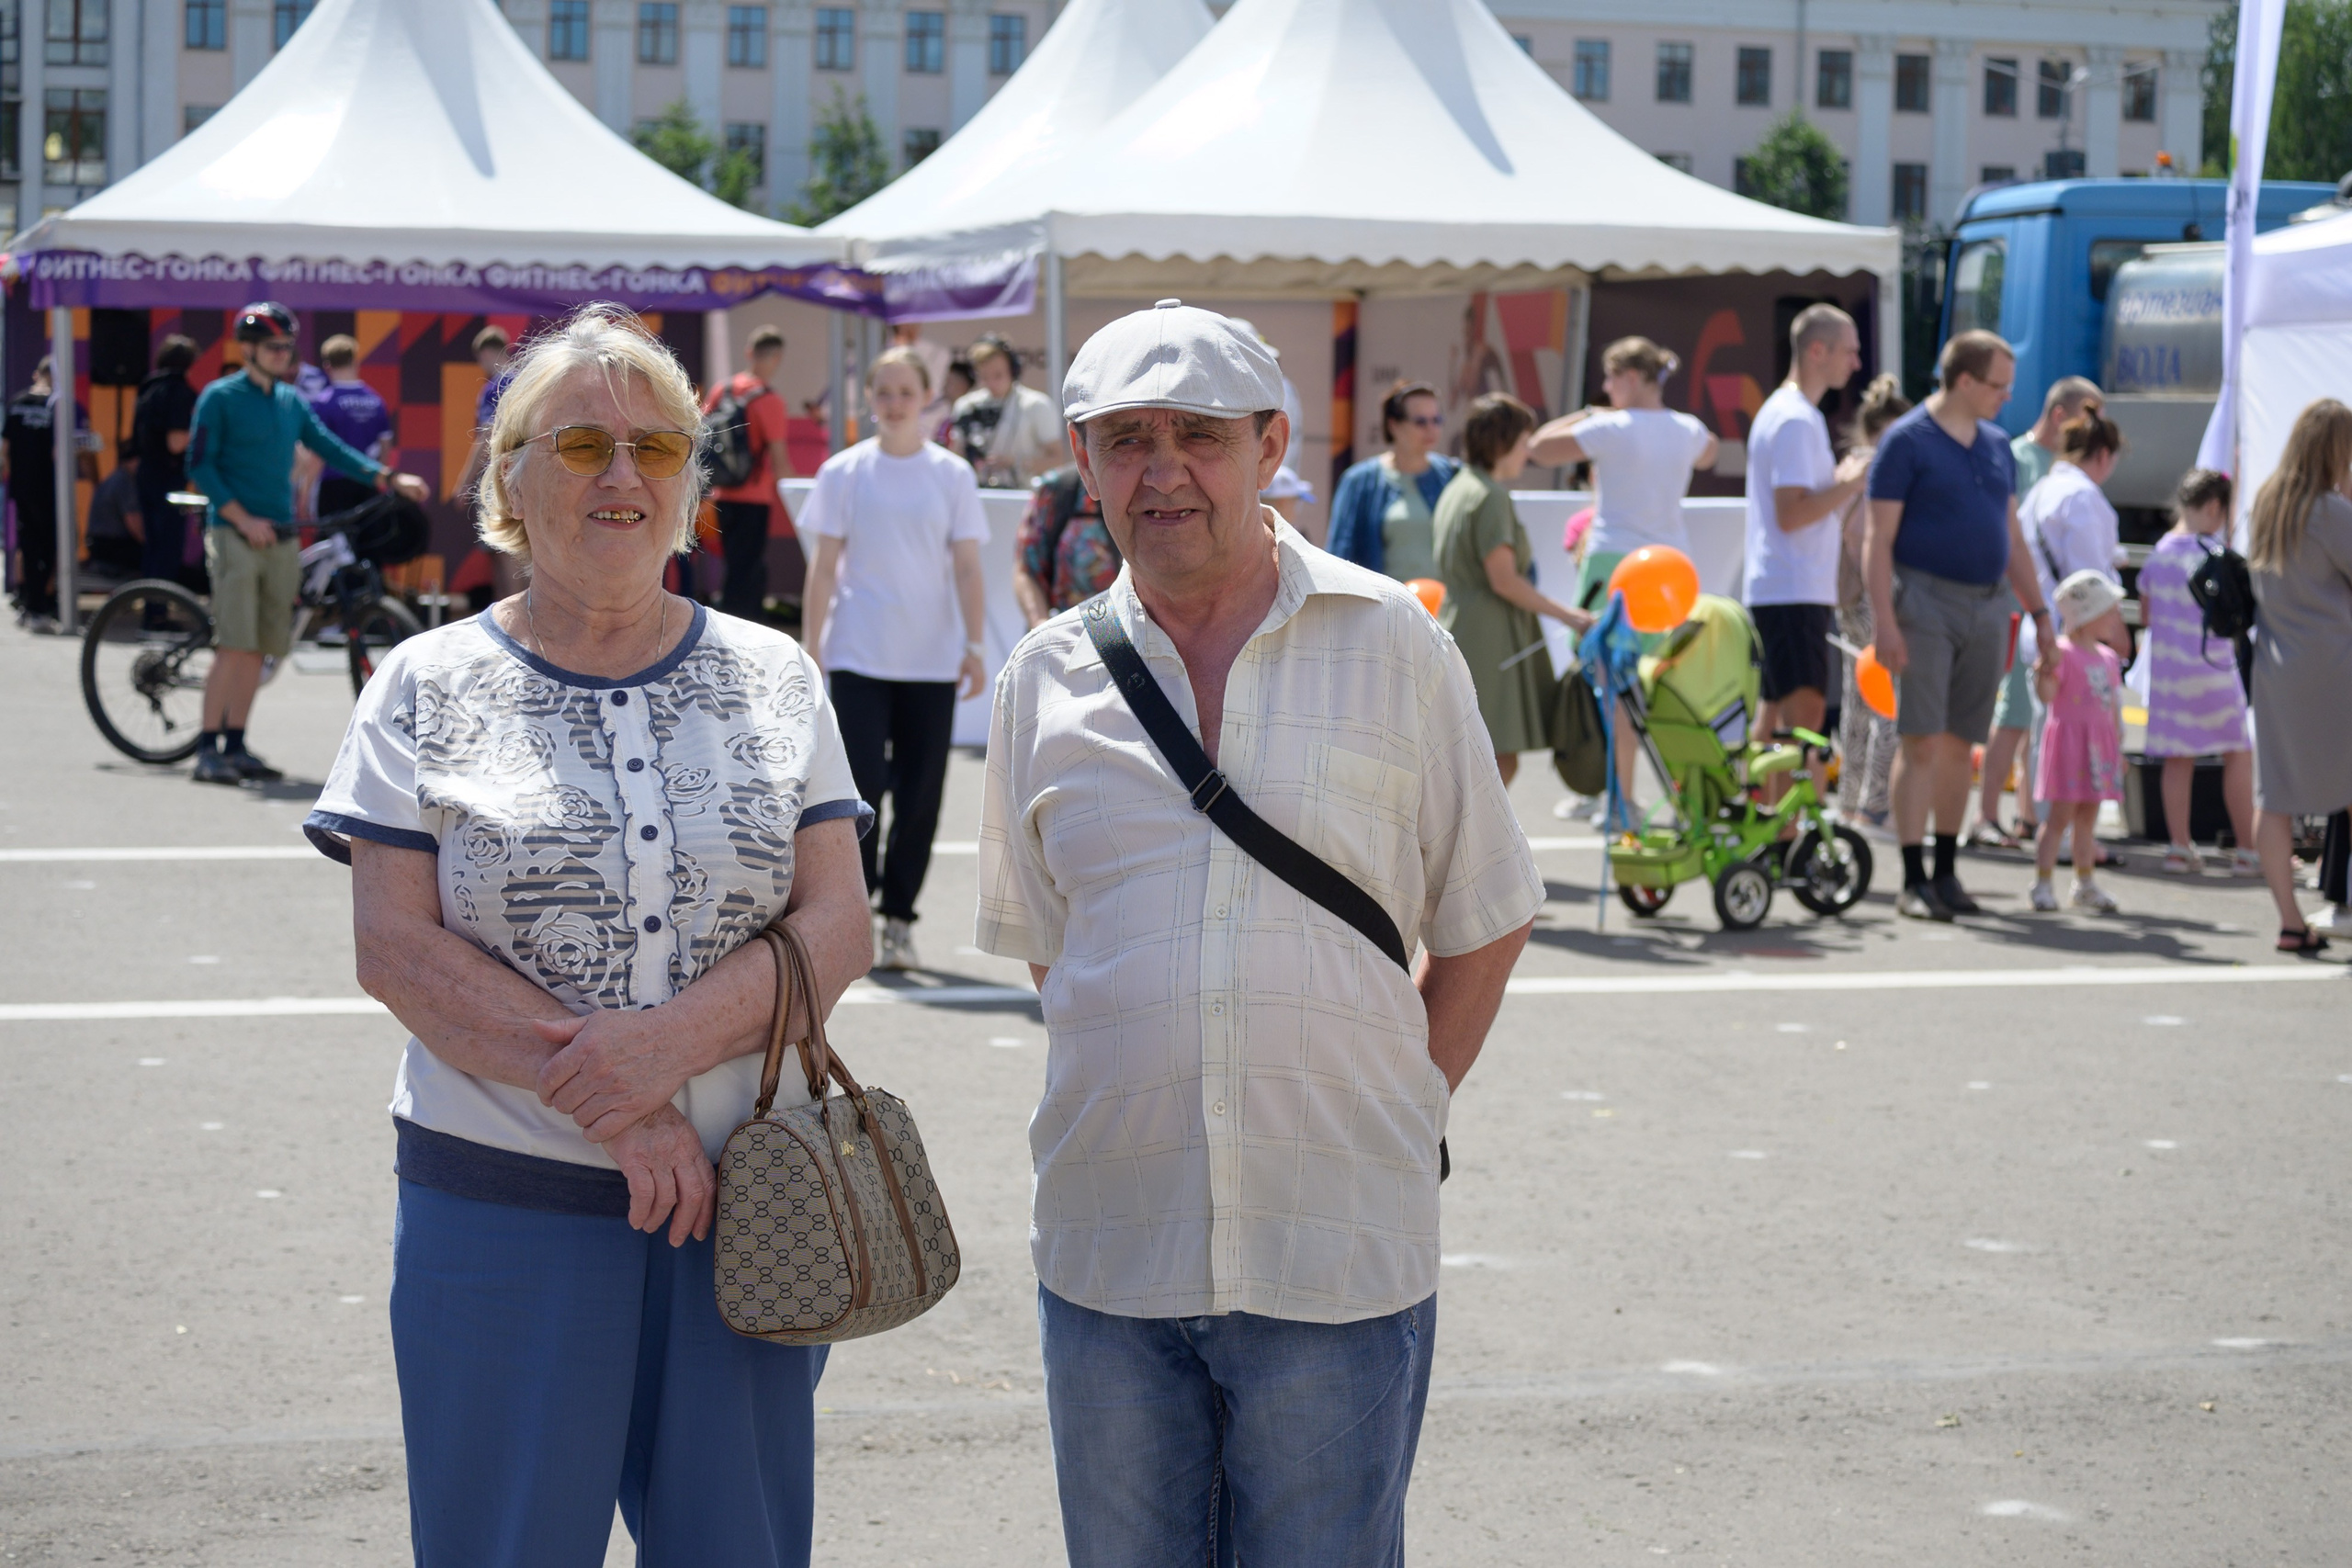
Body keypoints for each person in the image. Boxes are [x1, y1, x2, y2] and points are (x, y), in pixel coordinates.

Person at [303, 303, 875, 1567]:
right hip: (501, 1208)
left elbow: (840, 922)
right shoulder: (425, 681)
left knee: (742, 1548)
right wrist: (622, 1105)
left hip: (746, 1207)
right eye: (578, 446)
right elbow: (394, 948)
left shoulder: (779, 674)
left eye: (658, 447)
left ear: (691, 480)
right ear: (509, 477)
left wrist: (662, 1047)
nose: (623, 475)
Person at [976, 299, 1542, 1566]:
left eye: (1199, 433)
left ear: (1273, 443)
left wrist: (1397, 1097)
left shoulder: (1395, 641)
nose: (1161, 467)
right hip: (1115, 1246)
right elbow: (1053, 950)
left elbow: (1487, 915)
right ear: (1082, 460)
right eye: (1125, 438)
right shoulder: (1044, 679)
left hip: (1336, 1241)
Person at [798, 346, 989, 972]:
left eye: (907, 391)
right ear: (869, 398)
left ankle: (899, 916)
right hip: (859, 652)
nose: (895, 402)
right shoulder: (844, 472)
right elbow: (824, 567)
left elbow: (966, 565)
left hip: (931, 660)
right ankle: (859, 903)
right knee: (861, 791)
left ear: (927, 397)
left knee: (922, 795)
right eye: (884, 391)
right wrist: (812, 649)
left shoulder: (951, 475)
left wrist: (974, 643)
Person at [187, 302, 431, 785]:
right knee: (234, 645)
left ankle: (236, 744)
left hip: (279, 534)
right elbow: (201, 466)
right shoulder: (220, 397)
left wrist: (386, 475)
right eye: (275, 347)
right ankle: (206, 748)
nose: (284, 355)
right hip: (235, 531)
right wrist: (240, 517)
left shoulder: (290, 401)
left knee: (262, 645)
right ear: (250, 349)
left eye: (287, 347)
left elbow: (329, 446)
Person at [1863, 329, 2060, 922]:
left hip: (1988, 604)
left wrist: (2041, 613)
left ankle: (1946, 871)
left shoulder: (1998, 445)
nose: (2006, 397)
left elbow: (2013, 539)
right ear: (1966, 380)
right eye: (1998, 386)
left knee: (1959, 743)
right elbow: (1878, 541)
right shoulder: (1907, 442)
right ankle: (1913, 876)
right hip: (1922, 601)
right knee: (1920, 738)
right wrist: (1884, 624)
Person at [1742, 305, 1871, 805]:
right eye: (1849, 349)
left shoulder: (1789, 412)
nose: (1856, 362)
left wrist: (1839, 487)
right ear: (1817, 351)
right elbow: (1792, 513)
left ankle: (1771, 822)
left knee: (1775, 715)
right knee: (1804, 717)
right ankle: (1792, 827)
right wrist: (1848, 483)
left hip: (1788, 585)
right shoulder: (1796, 418)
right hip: (1793, 587)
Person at [1433, 391, 1593, 785]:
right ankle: (1472, 846)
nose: (1528, 452)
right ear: (1504, 443)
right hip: (1489, 639)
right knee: (1495, 762)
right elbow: (1504, 580)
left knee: (1472, 758)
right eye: (1524, 442)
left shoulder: (1460, 488)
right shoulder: (1489, 496)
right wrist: (1570, 616)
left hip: (1465, 626)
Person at [2245, 398, 2352, 954]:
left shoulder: (2268, 503)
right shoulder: (2331, 511)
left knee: (2277, 796)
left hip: (2277, 667)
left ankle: (2289, 920)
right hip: (2336, 665)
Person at [1979, 376, 2105, 845]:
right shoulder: (2013, 457)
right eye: (2087, 417)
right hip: (2018, 610)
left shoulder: (2060, 467)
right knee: (2012, 714)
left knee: (2040, 716)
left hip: (2048, 614)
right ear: (2059, 416)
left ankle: (2029, 816)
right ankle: (1986, 815)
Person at [2011, 409, 2132, 863]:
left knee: (2048, 737)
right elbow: (2090, 579)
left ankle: (2045, 825)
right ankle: (2067, 837)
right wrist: (2115, 629)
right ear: (2102, 455)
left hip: (2039, 625)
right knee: (2076, 743)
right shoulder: (2082, 497)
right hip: (2075, 637)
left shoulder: (2042, 489)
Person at [1528, 336, 1718, 614]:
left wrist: (1589, 413)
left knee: (1599, 651)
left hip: (1612, 558)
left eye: (1609, 378)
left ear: (1631, 377)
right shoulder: (1689, 428)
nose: (1606, 387)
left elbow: (1537, 448)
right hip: (1671, 560)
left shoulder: (1609, 426)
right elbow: (1709, 453)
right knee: (1664, 654)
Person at [2139, 468, 2258, 875]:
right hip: (2214, 670)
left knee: (2178, 761)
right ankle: (2246, 849)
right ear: (2213, 507)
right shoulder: (2217, 553)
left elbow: (2146, 615)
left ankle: (2179, 847)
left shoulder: (2157, 555)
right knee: (2238, 754)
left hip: (2170, 677)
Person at [1834, 375, 1912, 829]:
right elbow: (1871, 540)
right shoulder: (1879, 472)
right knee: (1890, 704)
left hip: (1848, 597)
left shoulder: (1848, 466)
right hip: (1876, 596)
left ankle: (1849, 801)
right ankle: (1875, 806)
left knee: (1857, 704)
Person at [2028, 570, 2129, 913]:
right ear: (2089, 616)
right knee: (2059, 817)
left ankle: (2084, 883)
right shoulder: (2063, 653)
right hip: (2071, 747)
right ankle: (2042, 883)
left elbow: (2112, 707)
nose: (2117, 618)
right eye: (2111, 611)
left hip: (2099, 748)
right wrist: (2043, 671)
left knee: (2088, 818)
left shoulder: (2108, 658)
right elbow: (2048, 696)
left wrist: (2118, 746)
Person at [702, 324, 794, 619]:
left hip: (722, 493)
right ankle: (742, 627)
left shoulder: (722, 389)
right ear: (777, 358)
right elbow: (779, 460)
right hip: (755, 497)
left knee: (733, 564)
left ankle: (726, 621)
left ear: (749, 353)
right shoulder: (770, 400)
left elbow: (702, 435)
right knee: (749, 568)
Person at [1326, 378, 1458, 581]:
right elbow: (1339, 553)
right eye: (1421, 422)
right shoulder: (1359, 481)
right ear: (1394, 425)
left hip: (1443, 609)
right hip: (1383, 607)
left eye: (1437, 420)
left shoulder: (1452, 474)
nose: (1431, 429)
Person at [130, 334, 200, 588]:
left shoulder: (147, 388)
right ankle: (158, 615)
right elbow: (176, 442)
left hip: (146, 474)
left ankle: (152, 612)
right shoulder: (180, 392)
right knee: (168, 547)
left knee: (153, 546)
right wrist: (206, 430)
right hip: (168, 478)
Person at [1012, 463, 1119, 627]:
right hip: (1069, 636)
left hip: (1141, 639)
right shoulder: (1057, 489)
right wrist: (1042, 627)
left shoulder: (1150, 486)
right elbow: (1026, 570)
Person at [950, 335, 1062, 487]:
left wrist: (1016, 463)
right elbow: (955, 458)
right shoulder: (966, 406)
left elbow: (1058, 459)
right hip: (979, 494)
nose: (991, 383)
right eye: (983, 377)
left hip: (1023, 497)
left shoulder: (1037, 405)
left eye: (998, 375)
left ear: (1013, 371)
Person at [309, 334, 395, 516]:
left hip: (333, 486)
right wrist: (379, 479)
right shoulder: (376, 400)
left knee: (332, 542)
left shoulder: (324, 402)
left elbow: (316, 452)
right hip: (368, 482)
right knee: (367, 543)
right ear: (355, 362)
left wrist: (304, 494)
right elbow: (385, 446)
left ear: (327, 366)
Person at [83, 456, 145, 579]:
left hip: (99, 545)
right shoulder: (124, 481)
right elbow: (135, 526)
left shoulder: (114, 478)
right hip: (111, 547)